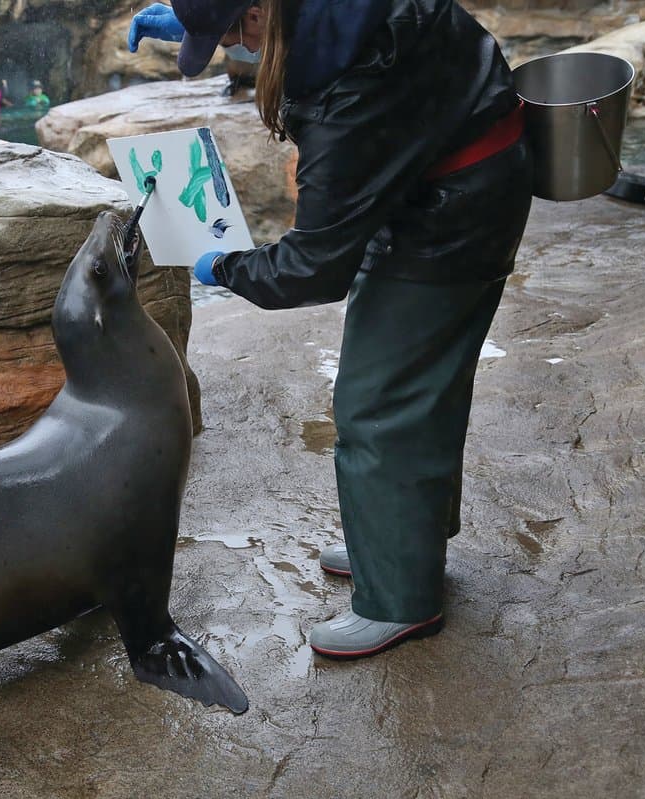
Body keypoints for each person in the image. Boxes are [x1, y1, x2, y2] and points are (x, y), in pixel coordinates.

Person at [129, 0, 533, 659]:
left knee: (379, 402)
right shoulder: (326, 20)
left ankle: (400, 598)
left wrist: (221, 264)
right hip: (438, 159)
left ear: (261, 11)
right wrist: (201, 12)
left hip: (456, 207)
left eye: (236, 32)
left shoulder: (345, 83)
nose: (241, 52)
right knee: (414, 376)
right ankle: (399, 537)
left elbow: (313, 269)